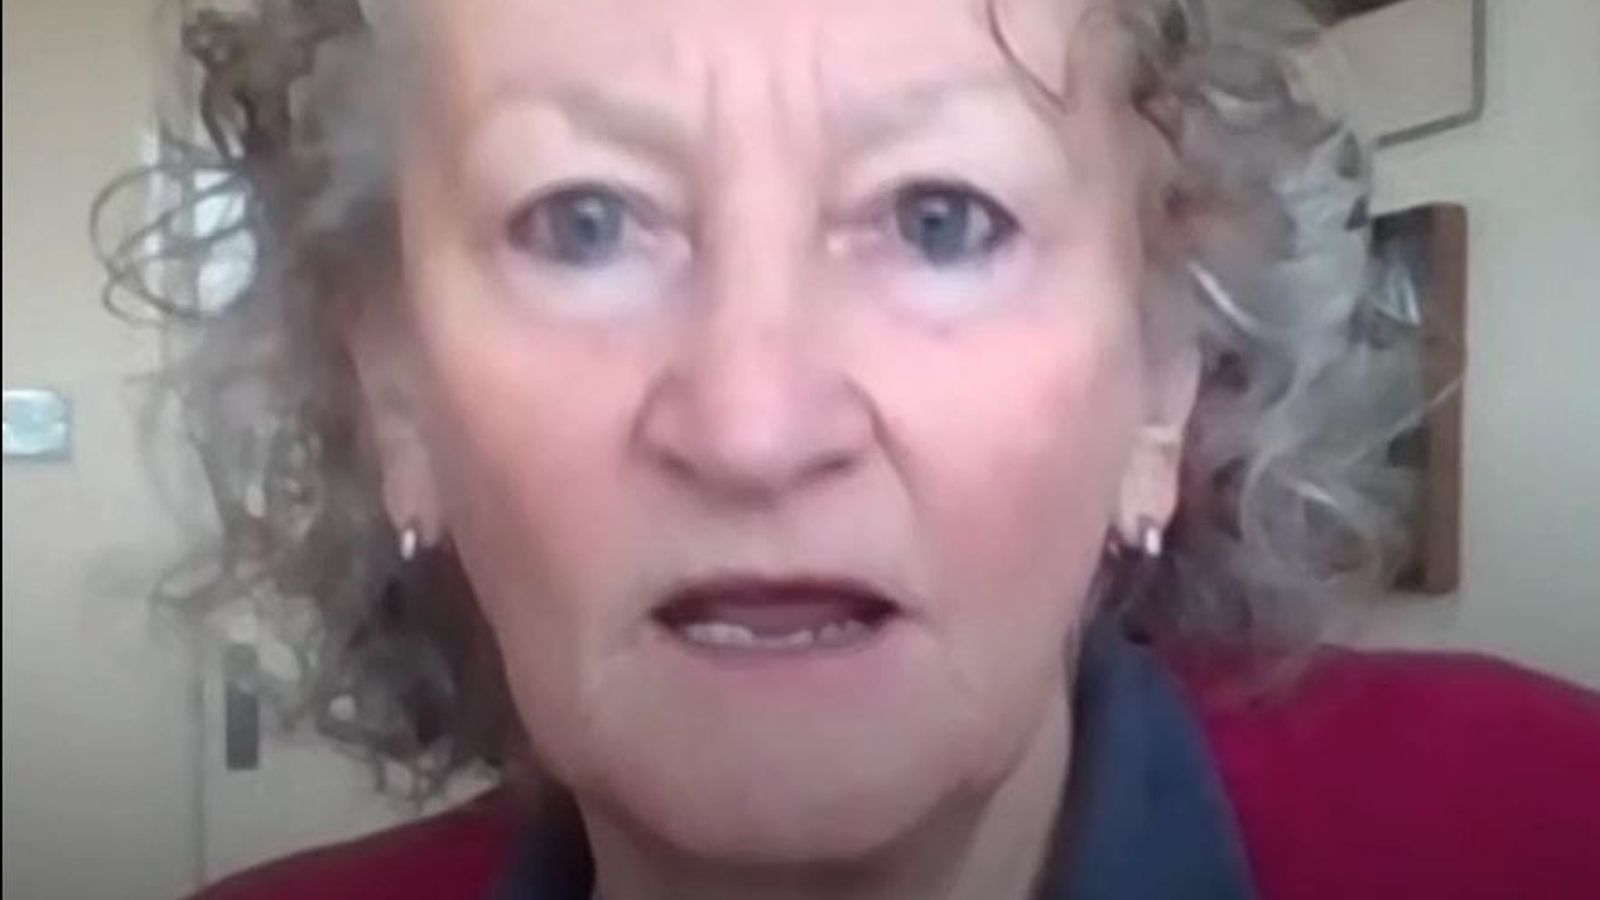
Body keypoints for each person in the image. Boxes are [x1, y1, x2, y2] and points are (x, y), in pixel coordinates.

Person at [93, 0, 1600, 898]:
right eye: (585, 222)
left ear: (1161, 382)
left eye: (941, 220)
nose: (754, 429)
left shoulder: (1546, 831)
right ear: (398, 398)